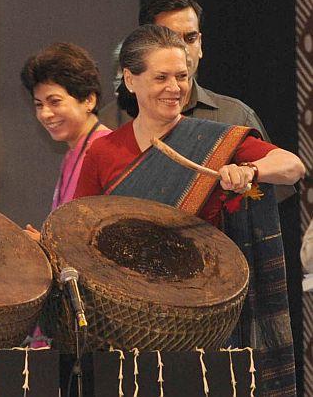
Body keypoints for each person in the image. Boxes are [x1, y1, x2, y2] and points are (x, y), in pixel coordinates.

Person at [75, 24, 305, 397]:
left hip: (205, 325)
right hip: (127, 326)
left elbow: (293, 165)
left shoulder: (214, 142)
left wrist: (250, 170)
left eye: (182, 76)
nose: (175, 88)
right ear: (131, 81)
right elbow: (79, 233)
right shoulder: (103, 153)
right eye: (161, 77)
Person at [99, 0, 269, 136]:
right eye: (171, 39)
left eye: (190, 38)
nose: (183, 50)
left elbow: (285, 169)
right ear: (144, 42)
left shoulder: (235, 118)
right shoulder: (110, 123)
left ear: (200, 44)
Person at [20, 42, 111, 238]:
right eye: (38, 105)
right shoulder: (74, 150)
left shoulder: (106, 151)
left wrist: (45, 243)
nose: (45, 114)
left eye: (55, 102)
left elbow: (103, 238)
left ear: (89, 100)